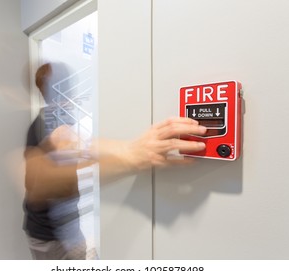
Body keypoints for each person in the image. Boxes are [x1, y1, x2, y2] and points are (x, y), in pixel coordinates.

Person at [23, 62, 207, 260]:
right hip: (46, 235)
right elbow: (36, 184)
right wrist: (129, 157)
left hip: (70, 226)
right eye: (61, 85)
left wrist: (127, 150)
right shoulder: (41, 124)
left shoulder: (66, 120)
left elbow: (86, 147)